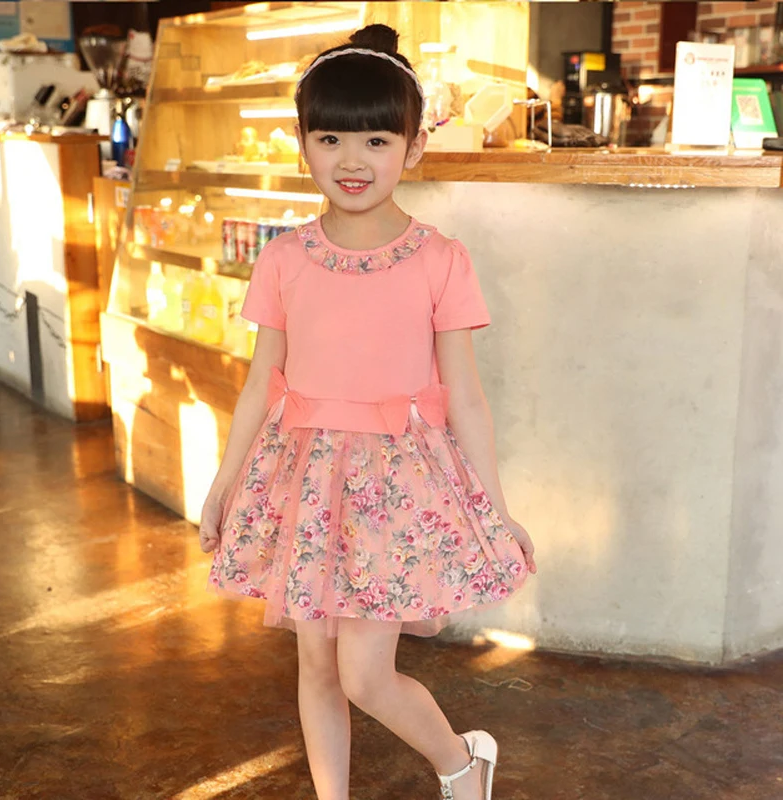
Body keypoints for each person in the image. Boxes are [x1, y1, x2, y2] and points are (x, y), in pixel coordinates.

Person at [199, 23, 537, 800]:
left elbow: (465, 396)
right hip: (304, 481)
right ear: (303, 146)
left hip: (395, 491)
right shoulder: (284, 257)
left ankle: (461, 762)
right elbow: (260, 384)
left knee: (363, 674)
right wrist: (223, 483)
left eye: (377, 140)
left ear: (414, 148)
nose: (352, 161)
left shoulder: (440, 259)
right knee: (316, 665)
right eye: (330, 139)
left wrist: (495, 508)